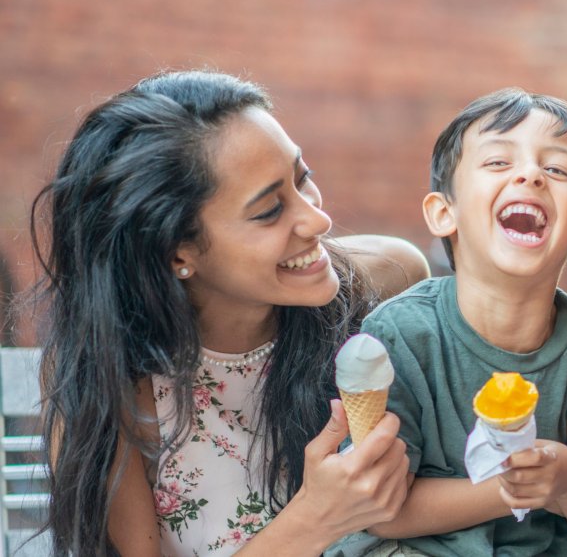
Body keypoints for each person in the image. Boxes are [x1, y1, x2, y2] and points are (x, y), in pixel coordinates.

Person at [32, 70, 429, 556]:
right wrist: (317, 518)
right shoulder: (114, 381)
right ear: (177, 251)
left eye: (302, 178)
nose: (318, 219)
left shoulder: (386, 281)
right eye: (269, 211)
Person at [352, 88, 567, 556]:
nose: (530, 175)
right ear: (444, 213)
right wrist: (513, 488)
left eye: (557, 169)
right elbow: (382, 510)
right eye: (498, 162)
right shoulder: (398, 336)